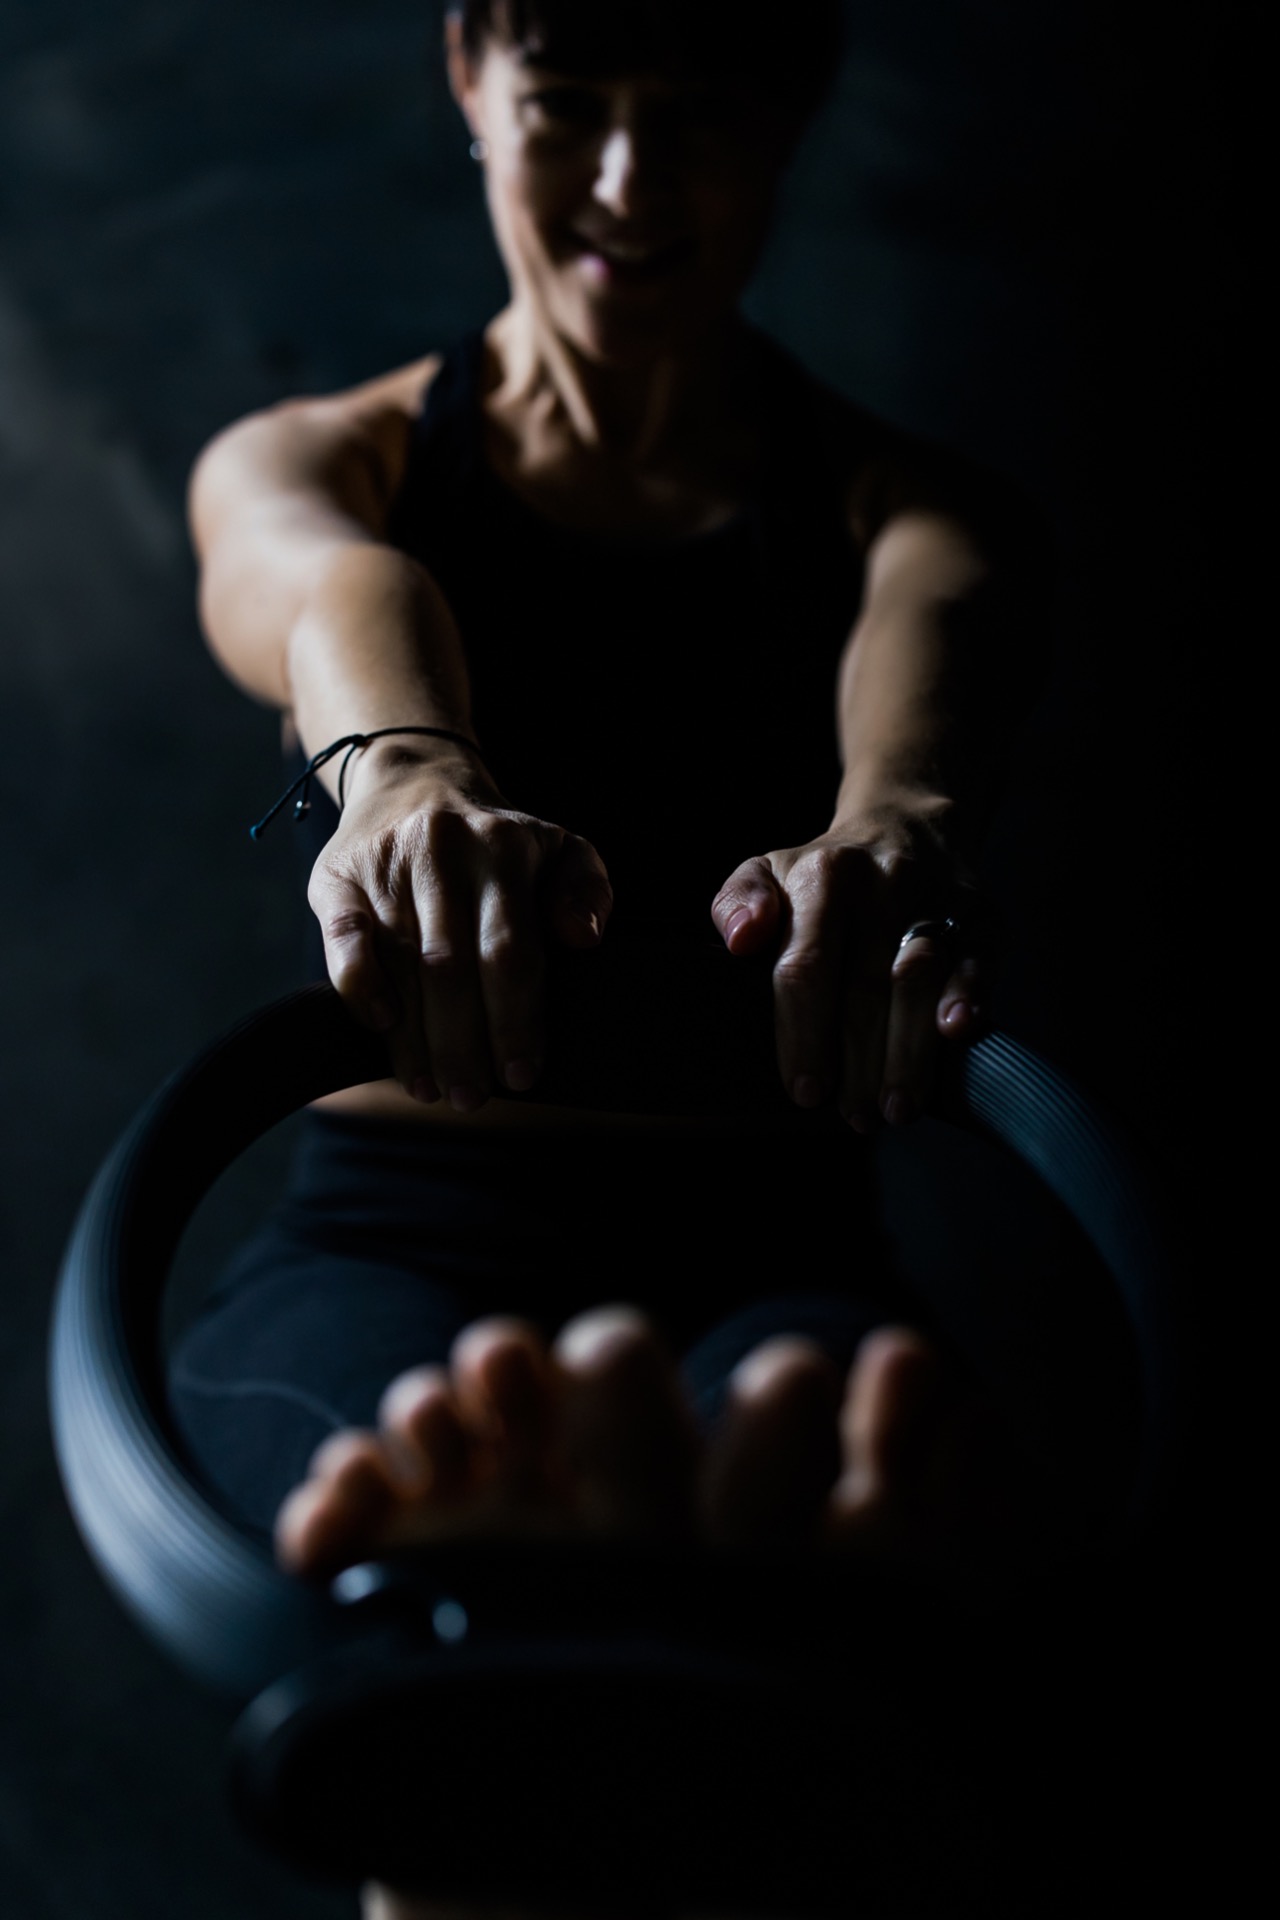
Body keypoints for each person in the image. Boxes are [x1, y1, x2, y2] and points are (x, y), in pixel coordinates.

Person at [169, 2, 1046, 1912]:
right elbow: (326, 587)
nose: (630, 183)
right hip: (391, 1250)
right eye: (570, 104)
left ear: (790, 115)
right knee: (467, 1637)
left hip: (776, 1263)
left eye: (696, 114)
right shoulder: (319, 465)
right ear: (472, 85)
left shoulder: (910, 519)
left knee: (777, 1647)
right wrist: (405, 773)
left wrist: (893, 828)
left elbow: (941, 656)